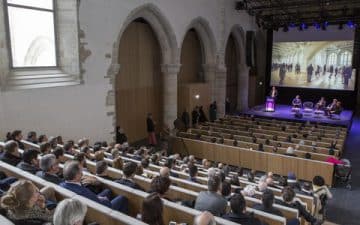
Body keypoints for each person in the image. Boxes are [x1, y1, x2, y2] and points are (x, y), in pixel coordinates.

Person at [60, 161, 128, 214]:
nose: (82, 174)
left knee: (108, 191)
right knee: (122, 198)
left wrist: (98, 197)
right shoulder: (82, 192)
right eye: (81, 172)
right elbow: (99, 203)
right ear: (76, 176)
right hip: (98, 211)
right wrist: (104, 200)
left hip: (89, 202)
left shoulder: (62, 185)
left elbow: (93, 197)